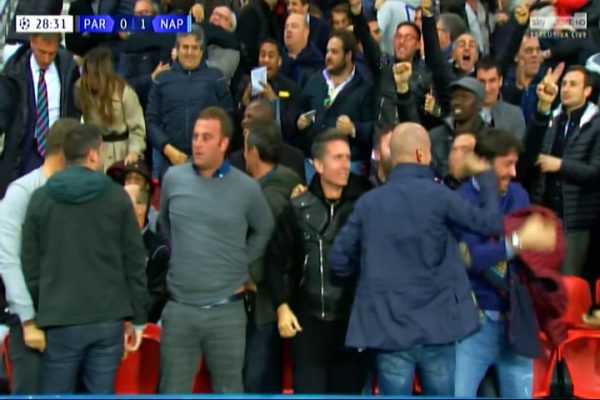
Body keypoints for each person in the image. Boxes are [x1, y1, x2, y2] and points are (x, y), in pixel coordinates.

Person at [327, 122, 504, 396]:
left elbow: (338, 260)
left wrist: (367, 279)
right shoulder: (441, 197)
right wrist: (487, 180)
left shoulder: (368, 203)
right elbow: (490, 225)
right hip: (439, 327)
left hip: (388, 328)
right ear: (421, 154)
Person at [21, 123, 149, 394]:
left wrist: (41, 307)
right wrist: (139, 318)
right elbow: (134, 261)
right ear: (93, 154)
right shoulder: (116, 198)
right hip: (108, 320)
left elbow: (29, 264)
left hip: (58, 320)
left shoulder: (40, 199)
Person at [158, 107, 274, 393]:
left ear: (223, 143)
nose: (197, 143)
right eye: (195, 136)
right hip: (180, 308)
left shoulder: (246, 188)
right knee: (172, 390)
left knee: (229, 390)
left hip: (226, 311)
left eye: (206, 137)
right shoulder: (173, 178)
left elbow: (265, 227)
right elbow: (165, 225)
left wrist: (242, 263)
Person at [266, 129, 372, 394]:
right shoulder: (297, 208)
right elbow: (274, 260)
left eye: (347, 157)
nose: (346, 164)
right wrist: (282, 307)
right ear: (318, 165)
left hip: (352, 325)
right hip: (310, 323)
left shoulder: (366, 204)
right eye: (338, 158)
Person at [454, 128, 557, 398]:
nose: (513, 172)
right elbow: (473, 258)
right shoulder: (462, 200)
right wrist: (517, 242)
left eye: (515, 164)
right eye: (507, 164)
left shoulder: (519, 195)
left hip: (516, 320)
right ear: (484, 163)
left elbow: (530, 253)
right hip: (475, 322)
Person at [0, 118, 78, 394]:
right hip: (30, 318)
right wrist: (28, 320)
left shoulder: (79, 194)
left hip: (72, 319)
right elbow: (8, 259)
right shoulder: (21, 193)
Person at [519, 65, 600, 277]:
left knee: (567, 285)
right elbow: (525, 157)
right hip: (543, 218)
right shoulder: (550, 118)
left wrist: (560, 166)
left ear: (587, 91)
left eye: (573, 84)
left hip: (574, 222)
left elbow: (596, 173)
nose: (566, 89)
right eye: (563, 84)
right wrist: (542, 108)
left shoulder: (596, 125)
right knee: (537, 283)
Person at [242, 119, 303, 393]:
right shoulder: (288, 180)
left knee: (258, 380)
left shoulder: (270, 194)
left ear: (253, 152)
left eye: (245, 149)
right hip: (269, 300)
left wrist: (249, 277)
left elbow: (270, 244)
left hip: (266, 301)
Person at [146, 26, 234, 178]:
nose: (189, 52)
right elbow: (151, 121)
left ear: (201, 51)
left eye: (194, 48)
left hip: (209, 160)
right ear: (177, 49)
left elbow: (228, 118)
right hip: (170, 160)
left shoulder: (216, 77)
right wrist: (168, 150)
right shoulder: (162, 79)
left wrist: (213, 148)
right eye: (185, 47)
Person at [0, 33, 80, 197]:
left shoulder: (68, 68)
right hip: (24, 148)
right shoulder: (14, 71)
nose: (46, 59)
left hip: (59, 147)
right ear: (32, 42)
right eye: (42, 52)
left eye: (51, 53)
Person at [76, 46, 146, 170]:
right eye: (87, 73)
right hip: (95, 150)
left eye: (94, 74)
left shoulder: (124, 92)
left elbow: (137, 129)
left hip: (121, 152)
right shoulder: (80, 89)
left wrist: (134, 151)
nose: (90, 78)